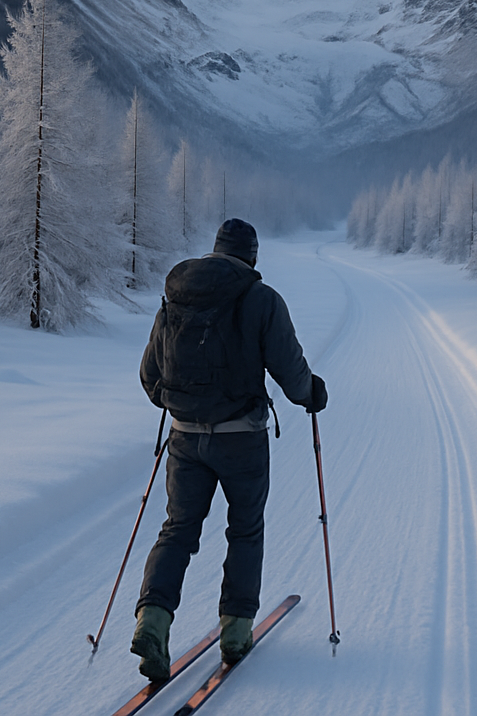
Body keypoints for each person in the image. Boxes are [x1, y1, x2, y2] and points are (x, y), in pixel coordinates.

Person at [130, 218, 327, 680]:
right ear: (252, 257)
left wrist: (178, 403)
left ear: (215, 251)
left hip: (184, 439)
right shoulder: (262, 299)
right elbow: (290, 370)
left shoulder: (175, 297)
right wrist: (311, 395)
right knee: (245, 530)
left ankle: (152, 623)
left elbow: (149, 375)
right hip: (242, 439)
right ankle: (236, 633)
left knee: (177, 530)